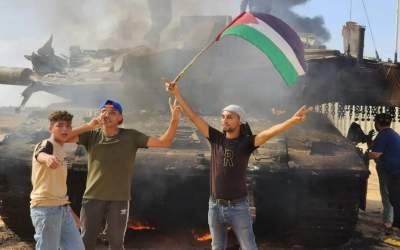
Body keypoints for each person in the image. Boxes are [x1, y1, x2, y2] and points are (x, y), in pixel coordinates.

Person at [166, 81, 311, 250]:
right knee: (217, 246)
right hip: (214, 206)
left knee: (249, 247)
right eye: (223, 117)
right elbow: (194, 117)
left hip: (238, 207)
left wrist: (292, 121)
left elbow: (269, 132)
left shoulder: (247, 143)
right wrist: (177, 94)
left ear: (239, 121)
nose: (225, 120)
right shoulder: (216, 139)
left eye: (229, 117)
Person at [67, 99, 181, 250]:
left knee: (116, 244)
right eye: (103, 111)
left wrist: (174, 119)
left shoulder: (131, 137)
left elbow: (164, 142)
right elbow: (63, 137)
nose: (107, 115)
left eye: (112, 112)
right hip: (92, 198)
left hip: (119, 200)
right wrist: (89, 125)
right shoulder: (91, 135)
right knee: (86, 242)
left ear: (120, 118)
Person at [30, 111, 85, 250]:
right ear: (50, 128)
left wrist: (70, 212)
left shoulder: (61, 148)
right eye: (59, 125)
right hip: (46, 210)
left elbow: (58, 187)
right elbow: (40, 154)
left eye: (68, 126)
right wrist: (47, 158)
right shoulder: (47, 144)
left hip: (62, 209)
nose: (65, 129)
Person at [368, 113, 400, 233]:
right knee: (395, 196)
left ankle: (388, 223)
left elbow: (375, 154)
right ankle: (393, 222)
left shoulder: (383, 135)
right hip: (396, 170)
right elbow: (376, 148)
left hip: (394, 171)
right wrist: (368, 140)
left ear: (376, 123)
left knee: (388, 196)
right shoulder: (391, 133)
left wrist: (362, 155)